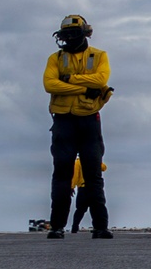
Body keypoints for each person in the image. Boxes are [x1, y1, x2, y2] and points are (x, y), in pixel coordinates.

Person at [43, 15, 114, 240]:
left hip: (88, 120)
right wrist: (84, 89)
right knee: (62, 175)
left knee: (93, 176)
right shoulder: (55, 59)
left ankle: (100, 227)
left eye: (73, 35)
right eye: (67, 36)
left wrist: (69, 80)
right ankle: (57, 226)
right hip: (64, 121)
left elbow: (101, 80)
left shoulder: (99, 56)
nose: (69, 40)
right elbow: (49, 84)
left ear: (85, 34)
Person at [70, 156, 108, 233]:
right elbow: (104, 168)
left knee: (80, 209)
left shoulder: (77, 162)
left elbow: (75, 176)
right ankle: (98, 227)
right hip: (94, 188)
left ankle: (75, 227)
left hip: (83, 188)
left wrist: (72, 187)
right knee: (95, 208)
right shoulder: (93, 160)